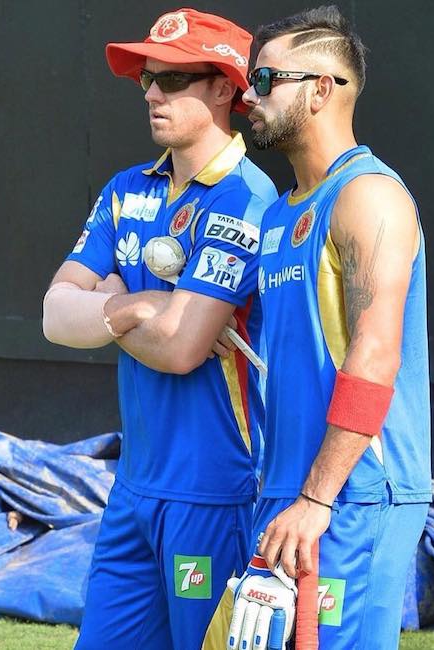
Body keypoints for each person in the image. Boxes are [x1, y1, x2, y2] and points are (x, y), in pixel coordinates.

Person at [42, 8, 277, 650]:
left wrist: (111, 300)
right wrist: (135, 309)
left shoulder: (246, 199)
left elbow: (180, 349)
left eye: (173, 80)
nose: (151, 93)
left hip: (216, 491)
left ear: (225, 86)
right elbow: (53, 315)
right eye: (148, 79)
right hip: (134, 487)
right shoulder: (126, 189)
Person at [217, 5, 432, 649]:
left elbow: (375, 354)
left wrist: (317, 499)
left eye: (265, 79)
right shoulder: (282, 214)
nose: (247, 96)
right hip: (289, 492)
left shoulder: (368, 196)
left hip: (351, 494)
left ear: (321, 89)